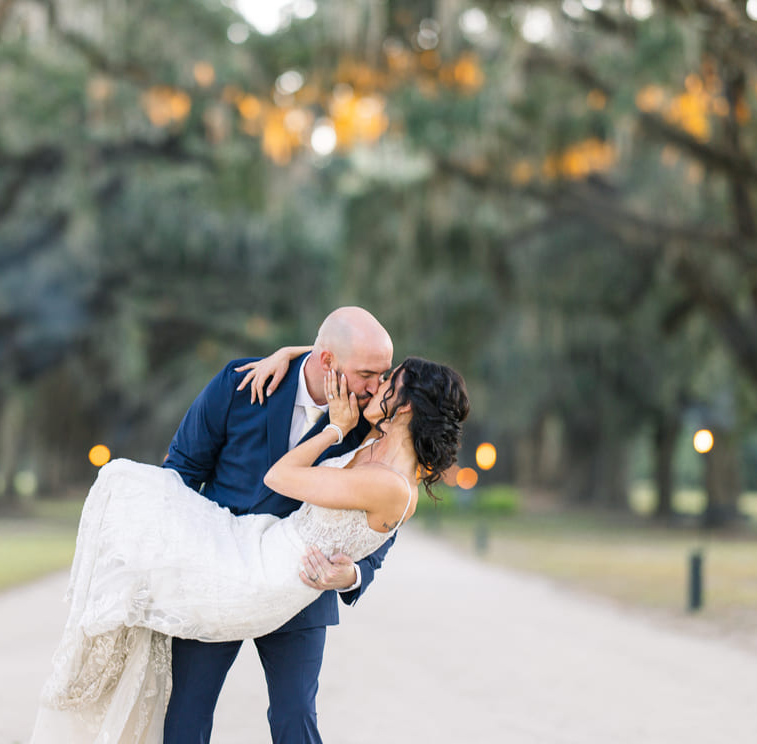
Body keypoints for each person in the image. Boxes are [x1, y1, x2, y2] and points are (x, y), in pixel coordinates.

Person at [28, 309, 470, 744]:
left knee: (295, 717)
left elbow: (381, 528)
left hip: (303, 585)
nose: (376, 385)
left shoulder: (369, 416)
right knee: (186, 714)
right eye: (368, 373)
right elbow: (181, 467)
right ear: (328, 361)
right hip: (216, 574)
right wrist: (182, 550)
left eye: (384, 376)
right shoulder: (243, 383)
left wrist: (352, 574)